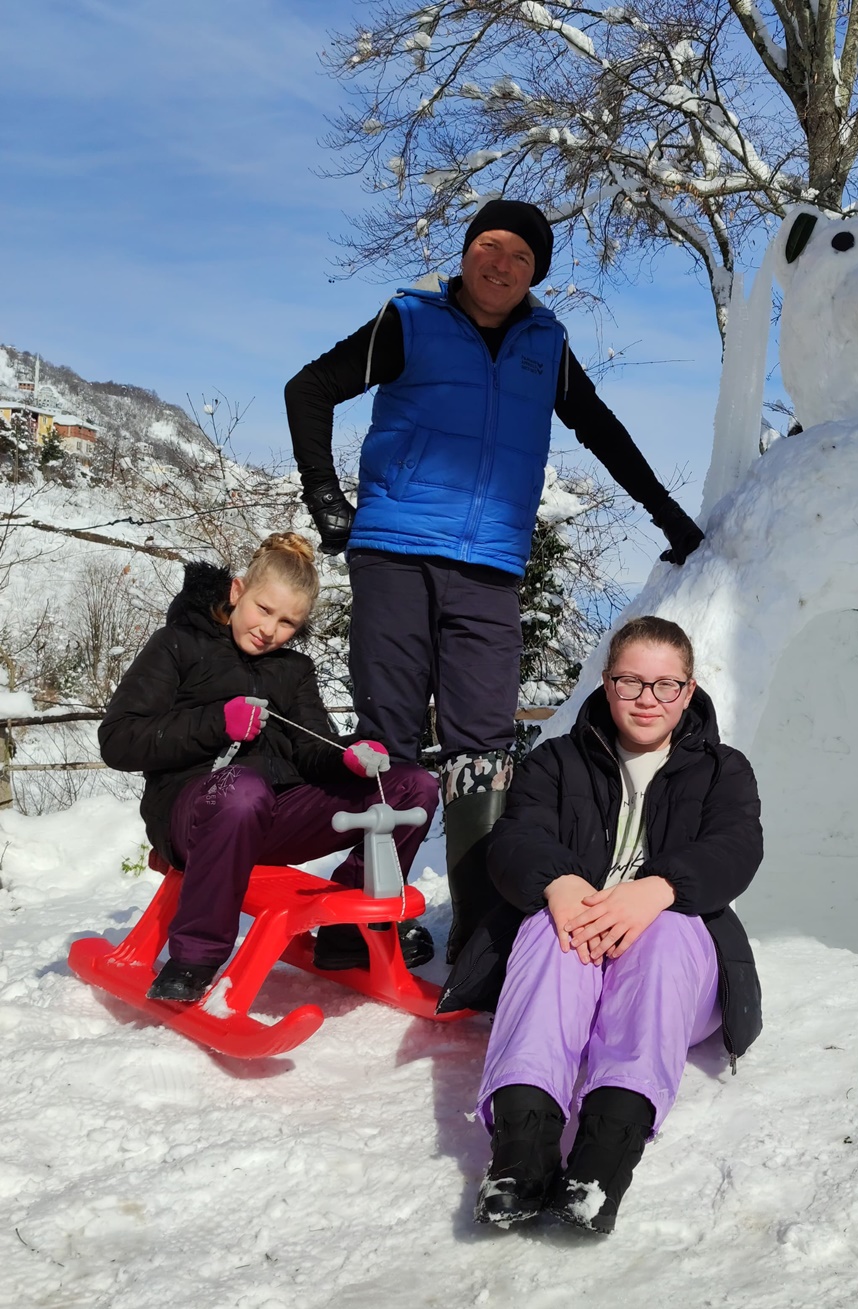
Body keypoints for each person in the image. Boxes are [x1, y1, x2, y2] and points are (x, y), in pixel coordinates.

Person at [284, 198, 707, 965]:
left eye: (519, 253)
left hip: (489, 567)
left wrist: (669, 516)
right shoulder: (409, 319)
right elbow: (308, 388)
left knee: (484, 750)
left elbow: (603, 431)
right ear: (467, 252)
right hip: (396, 553)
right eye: (488, 244)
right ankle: (356, 919)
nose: (501, 261)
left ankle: (482, 934)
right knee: (391, 745)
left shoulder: (546, 345)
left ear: (535, 271)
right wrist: (326, 498)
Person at [436, 616, 762, 1234]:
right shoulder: (557, 761)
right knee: (545, 927)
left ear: (689, 691)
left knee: (667, 932)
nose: (648, 699)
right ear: (606, 684)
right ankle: (520, 1158)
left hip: (674, 976)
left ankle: (601, 1165)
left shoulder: (724, 770)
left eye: (667, 685)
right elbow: (516, 836)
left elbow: (737, 847)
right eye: (631, 682)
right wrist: (557, 882)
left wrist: (659, 890)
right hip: (576, 952)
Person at [99, 533, 440, 1002]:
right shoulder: (178, 645)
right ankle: (194, 958)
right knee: (243, 789)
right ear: (237, 592)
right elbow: (118, 741)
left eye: (287, 623)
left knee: (411, 786)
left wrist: (347, 756)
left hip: (274, 815)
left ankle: (348, 934)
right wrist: (216, 723)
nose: (270, 629)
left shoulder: (293, 670)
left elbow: (308, 749)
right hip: (192, 813)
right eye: (264, 609)